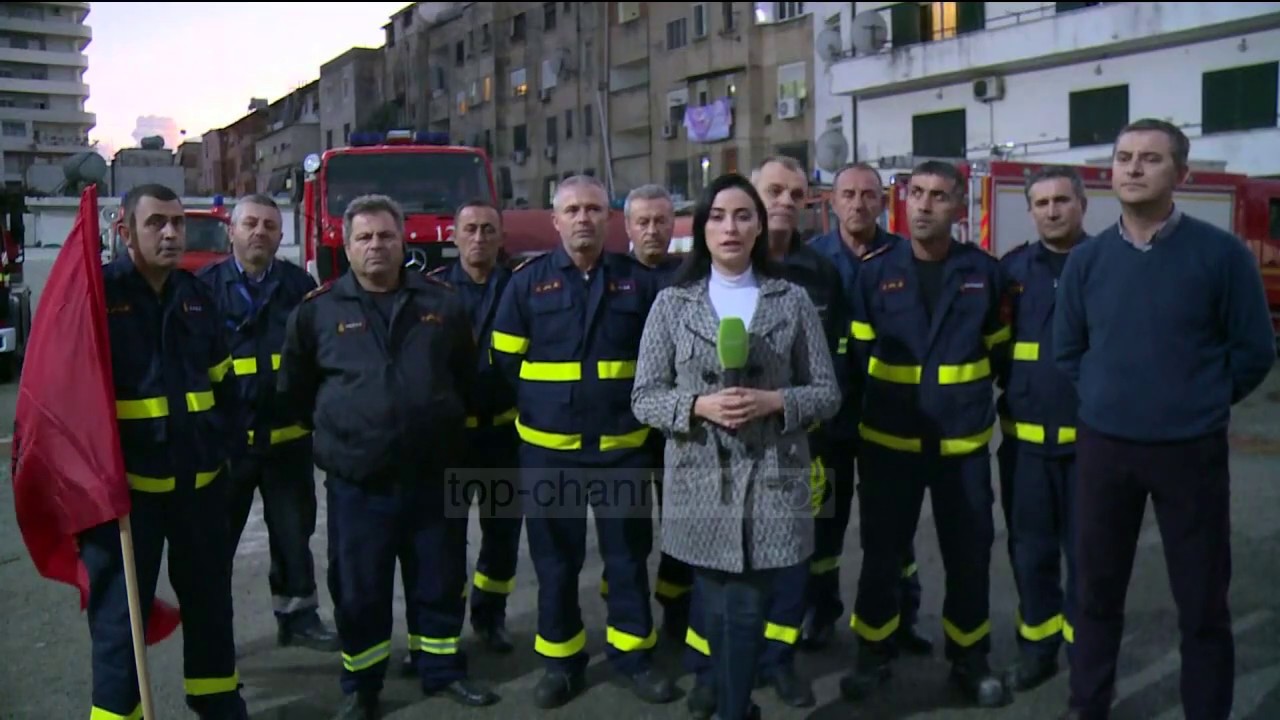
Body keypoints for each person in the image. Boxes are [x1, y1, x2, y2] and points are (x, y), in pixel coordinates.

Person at [1053, 118, 1275, 720]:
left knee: (1202, 603)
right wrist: (1107, 398)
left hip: (1189, 452)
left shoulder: (1222, 256)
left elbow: (1254, 352)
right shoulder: (1088, 261)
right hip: (1105, 450)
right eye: (1123, 156)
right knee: (1096, 594)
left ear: (1183, 174)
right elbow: (1067, 350)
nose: (1132, 167)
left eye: (1150, 158)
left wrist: (1197, 401)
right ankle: (1088, 707)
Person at [277, 194, 499, 719]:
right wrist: (347, 435)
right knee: (360, 590)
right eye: (364, 237)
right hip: (358, 484)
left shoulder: (443, 304)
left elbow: (467, 378)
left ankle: (441, 670)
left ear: (403, 242)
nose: (375, 245)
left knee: (439, 580)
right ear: (347, 245)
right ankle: (363, 686)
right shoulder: (317, 311)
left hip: (433, 477)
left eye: (385, 236)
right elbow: (296, 391)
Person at [631, 171, 841, 720]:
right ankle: (725, 695)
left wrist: (774, 401)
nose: (730, 227)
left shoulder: (791, 300)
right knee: (714, 602)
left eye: (743, 216)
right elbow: (644, 397)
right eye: (719, 217)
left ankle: (734, 707)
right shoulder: (672, 304)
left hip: (773, 476)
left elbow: (827, 393)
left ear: (759, 228)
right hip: (700, 477)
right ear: (702, 229)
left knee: (746, 606)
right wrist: (698, 406)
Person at [489, 174, 675, 709]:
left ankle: (633, 657)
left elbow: (661, 358)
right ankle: (561, 663)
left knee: (627, 558)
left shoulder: (637, 283)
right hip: (550, 453)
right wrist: (549, 407)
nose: (583, 219)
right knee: (556, 564)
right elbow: (504, 360)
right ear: (555, 220)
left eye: (593, 209)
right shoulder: (526, 284)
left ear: (609, 219)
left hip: (622, 450)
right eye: (572, 210)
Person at [840, 160, 1011, 708]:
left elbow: (1000, 352)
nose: (923, 205)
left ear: (959, 206)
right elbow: (859, 357)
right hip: (889, 444)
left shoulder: (984, 273)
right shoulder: (874, 273)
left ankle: (970, 658)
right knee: (881, 554)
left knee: (970, 554)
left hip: (961, 446)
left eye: (938, 195)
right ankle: (873, 654)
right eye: (916, 193)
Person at [87, 183, 248, 719]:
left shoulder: (196, 296)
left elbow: (224, 383)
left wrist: (226, 452)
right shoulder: (99, 296)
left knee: (211, 604)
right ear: (125, 232)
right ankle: (116, 714)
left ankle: (216, 698)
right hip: (127, 499)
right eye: (156, 223)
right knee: (120, 618)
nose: (172, 233)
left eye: (178, 222)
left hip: (199, 489)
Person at [196, 193, 338, 653]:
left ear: (280, 236)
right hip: (228, 444)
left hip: (288, 441)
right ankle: (213, 630)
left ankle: (298, 618)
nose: (260, 232)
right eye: (250, 224)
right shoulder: (202, 289)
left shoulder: (300, 286)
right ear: (231, 231)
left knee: (294, 536)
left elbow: (320, 354)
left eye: (270, 226)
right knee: (215, 543)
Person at [804, 162, 931, 655]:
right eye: (848, 194)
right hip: (826, 418)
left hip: (889, 415)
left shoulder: (906, 258)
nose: (858, 203)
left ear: (882, 201)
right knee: (822, 522)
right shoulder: (810, 261)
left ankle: (902, 616)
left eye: (868, 195)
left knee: (894, 527)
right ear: (833, 201)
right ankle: (819, 613)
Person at [994, 166, 1089, 693]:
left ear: (1082, 205)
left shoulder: (1107, 264)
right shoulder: (1010, 272)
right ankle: (1038, 649)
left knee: (1089, 557)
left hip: (1091, 449)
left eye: (1062, 200)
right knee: (1030, 554)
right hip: (1025, 449)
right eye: (1042, 203)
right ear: (1030, 210)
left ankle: (1087, 655)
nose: (1052, 210)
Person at [425, 199, 521, 654]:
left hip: (504, 436)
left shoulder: (520, 288)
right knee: (445, 540)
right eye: (470, 229)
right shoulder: (433, 292)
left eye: (488, 229)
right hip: (451, 440)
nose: (479, 238)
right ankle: (443, 626)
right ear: (454, 236)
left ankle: (490, 617)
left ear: (501, 237)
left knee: (501, 535)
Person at [622, 183, 694, 639]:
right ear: (627, 227)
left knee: (682, 523)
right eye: (643, 222)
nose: (653, 230)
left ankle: (678, 610)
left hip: (680, 423)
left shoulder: (691, 277)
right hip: (623, 428)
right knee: (627, 532)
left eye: (661, 221)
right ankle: (626, 614)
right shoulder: (609, 276)